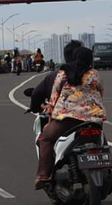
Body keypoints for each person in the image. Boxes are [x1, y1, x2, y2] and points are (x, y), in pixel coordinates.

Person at [34, 44, 105, 189]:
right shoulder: (95, 74)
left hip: (68, 119)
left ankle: (44, 174)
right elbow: (100, 93)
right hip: (94, 119)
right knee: (102, 143)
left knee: (45, 137)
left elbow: (54, 98)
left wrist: (51, 118)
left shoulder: (63, 74)